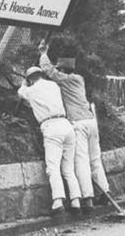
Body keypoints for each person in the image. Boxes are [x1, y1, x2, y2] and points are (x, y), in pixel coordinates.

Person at [39, 38, 110, 212]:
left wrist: (42, 54)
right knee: (95, 159)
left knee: (81, 161)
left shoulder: (65, 80)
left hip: (79, 123)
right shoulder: (79, 79)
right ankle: (105, 192)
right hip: (91, 121)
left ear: (62, 69)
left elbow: (49, 71)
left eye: (59, 68)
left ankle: (88, 199)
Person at [18, 66, 81, 215]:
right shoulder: (53, 85)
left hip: (51, 126)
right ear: (41, 74)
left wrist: (23, 84)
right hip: (66, 125)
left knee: (53, 167)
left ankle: (58, 201)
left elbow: (21, 93)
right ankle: (76, 201)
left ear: (30, 79)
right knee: (68, 168)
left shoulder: (31, 90)